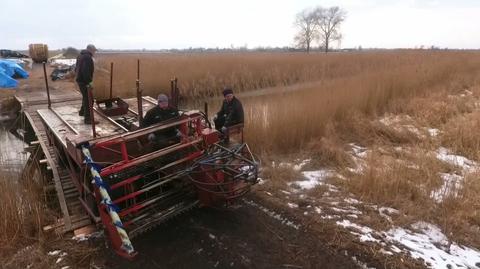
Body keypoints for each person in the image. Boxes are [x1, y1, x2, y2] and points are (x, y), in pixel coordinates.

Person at [76, 44, 97, 124]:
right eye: (94, 50)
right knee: (89, 99)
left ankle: (82, 112)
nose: (94, 52)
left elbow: (76, 68)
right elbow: (86, 71)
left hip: (80, 80)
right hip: (84, 81)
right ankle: (88, 119)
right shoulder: (87, 57)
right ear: (90, 49)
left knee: (85, 96)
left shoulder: (80, 56)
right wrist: (89, 82)